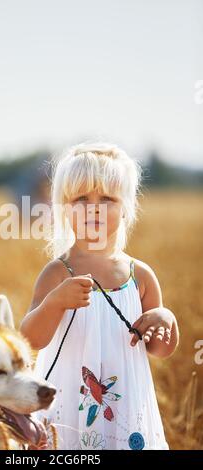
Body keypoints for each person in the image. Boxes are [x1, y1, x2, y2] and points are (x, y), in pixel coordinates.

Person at [20, 141, 179, 450]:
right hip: (68, 404)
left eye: (107, 198)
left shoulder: (140, 276)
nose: (94, 207)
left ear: (126, 209)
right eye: (81, 198)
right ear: (64, 209)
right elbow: (29, 341)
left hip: (125, 408)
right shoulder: (57, 273)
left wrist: (166, 319)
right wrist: (55, 302)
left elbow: (160, 348)